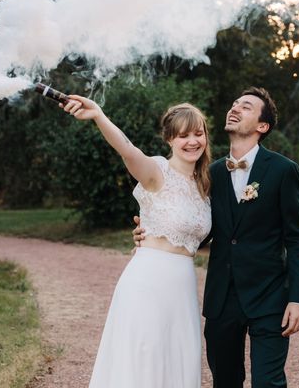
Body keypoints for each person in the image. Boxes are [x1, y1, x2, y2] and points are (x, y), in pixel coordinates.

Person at [134, 87, 299, 387]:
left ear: (262, 126)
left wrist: (298, 299)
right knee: (225, 381)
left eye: (246, 106)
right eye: (234, 103)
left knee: (268, 382)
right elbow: (197, 227)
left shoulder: (283, 171)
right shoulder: (210, 174)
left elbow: (298, 239)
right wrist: (149, 230)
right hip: (222, 300)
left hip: (269, 297)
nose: (235, 108)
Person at [60, 95, 212, 388]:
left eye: (198, 133)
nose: (192, 141)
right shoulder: (156, 172)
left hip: (182, 287)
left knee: (179, 359)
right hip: (148, 281)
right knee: (144, 358)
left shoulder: (204, 185)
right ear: (170, 139)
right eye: (183, 135)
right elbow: (127, 149)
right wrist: (99, 116)